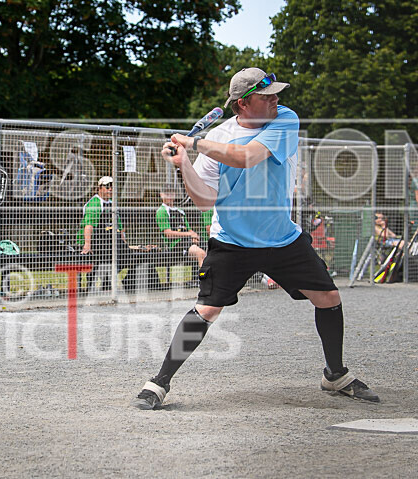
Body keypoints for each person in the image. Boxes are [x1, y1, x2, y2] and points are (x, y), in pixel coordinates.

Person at [131, 67, 379, 409]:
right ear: (243, 104)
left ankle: (334, 375)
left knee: (328, 297)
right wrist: (185, 162)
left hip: (281, 238)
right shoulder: (217, 139)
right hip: (233, 241)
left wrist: (192, 142)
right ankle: (159, 382)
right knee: (207, 309)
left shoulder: (283, 119)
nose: (276, 98)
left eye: (276, 93)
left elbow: (246, 157)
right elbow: (205, 200)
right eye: (267, 96)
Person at [78, 176, 137, 292]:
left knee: (130, 255)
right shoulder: (95, 204)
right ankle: (102, 280)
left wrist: (125, 242)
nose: (110, 189)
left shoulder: (112, 204)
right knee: (108, 254)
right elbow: (89, 226)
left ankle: (110, 280)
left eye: (112, 187)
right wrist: (87, 245)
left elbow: (119, 227)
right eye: (107, 186)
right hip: (95, 240)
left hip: (110, 240)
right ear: (99, 188)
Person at [156, 185, 206, 267]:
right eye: (167, 194)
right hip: (176, 245)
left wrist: (195, 236)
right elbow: (168, 233)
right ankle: (205, 279)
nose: (170, 196)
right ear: (162, 195)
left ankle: (197, 278)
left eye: (171, 193)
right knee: (200, 253)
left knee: (211, 251)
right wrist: (189, 235)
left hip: (188, 241)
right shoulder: (162, 211)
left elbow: (189, 230)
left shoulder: (180, 211)